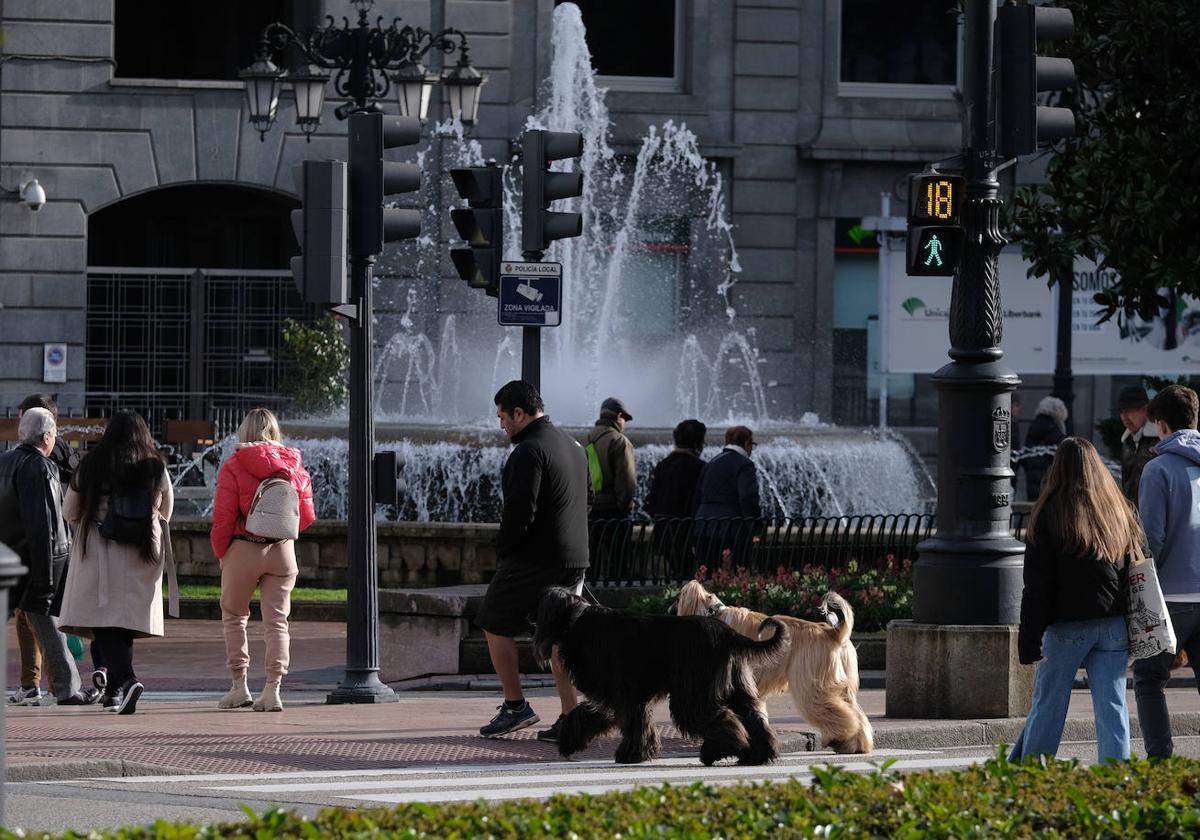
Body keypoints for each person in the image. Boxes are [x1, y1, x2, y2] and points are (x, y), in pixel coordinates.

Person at [1009, 437, 1139, 764]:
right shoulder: (1118, 510)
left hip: (1067, 626)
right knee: (1112, 705)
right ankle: (1116, 776)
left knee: (1049, 704)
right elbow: (1134, 569)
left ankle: (1033, 775)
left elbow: (1037, 588)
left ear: (1058, 469)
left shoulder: (1050, 512)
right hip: (1113, 624)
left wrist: (1029, 641)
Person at [476, 381, 590, 743]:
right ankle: (572, 716)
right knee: (560, 639)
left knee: (493, 618)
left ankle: (515, 706)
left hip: (537, 559)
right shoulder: (572, 446)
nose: (501, 425)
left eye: (503, 417)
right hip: (575, 558)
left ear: (520, 413)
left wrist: (504, 553)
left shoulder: (528, 452)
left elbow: (519, 515)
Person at [58, 410, 176, 714]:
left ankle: (126, 680)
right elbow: (166, 510)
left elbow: (70, 511)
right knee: (123, 619)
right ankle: (113, 692)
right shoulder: (155, 466)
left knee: (105, 619)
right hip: (143, 551)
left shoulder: (92, 464)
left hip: (100, 548)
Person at [210, 408, 315, 713]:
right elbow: (305, 516)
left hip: (243, 547)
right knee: (277, 623)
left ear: (244, 432)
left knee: (234, 617)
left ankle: (239, 685)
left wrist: (222, 552)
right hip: (282, 550)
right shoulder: (293, 465)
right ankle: (273, 689)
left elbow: (223, 517)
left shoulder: (233, 465)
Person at [0, 408, 94, 706]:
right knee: (51, 629)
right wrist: (49, 574)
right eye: (54, 435)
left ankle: (62, 687)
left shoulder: (4, 462)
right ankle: (67, 690)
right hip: (35, 563)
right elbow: (46, 524)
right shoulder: (40, 467)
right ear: (46, 436)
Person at [1132, 384, 1200, 759]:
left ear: (1161, 425)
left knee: (1148, 679)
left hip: (1170, 594)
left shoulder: (1157, 469)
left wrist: (1138, 584)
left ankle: (1161, 762)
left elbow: (1151, 537)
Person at [693, 425, 762, 569]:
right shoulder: (744, 464)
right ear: (747, 443)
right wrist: (755, 527)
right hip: (732, 528)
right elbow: (747, 497)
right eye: (752, 445)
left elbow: (698, 495)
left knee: (707, 573)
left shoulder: (712, 462)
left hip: (704, 525)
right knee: (735, 573)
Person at [644, 419, 707, 575]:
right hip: (687, 536)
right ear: (697, 442)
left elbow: (652, 502)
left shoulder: (663, 465)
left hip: (664, 534)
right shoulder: (699, 467)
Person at [585, 397, 636, 571]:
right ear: (619, 416)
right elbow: (627, 483)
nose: (624, 424)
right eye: (625, 420)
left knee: (594, 564)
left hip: (591, 512)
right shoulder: (619, 441)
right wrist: (626, 508)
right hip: (615, 513)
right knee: (619, 565)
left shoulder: (588, 439)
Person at [1117, 385, 1158, 502]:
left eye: (1130, 410)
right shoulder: (1126, 440)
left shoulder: (1158, 439)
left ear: (1145, 409)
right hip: (1131, 513)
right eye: (1121, 411)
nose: (1124, 416)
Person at [1023, 396, 1068, 498]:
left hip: (1031, 477)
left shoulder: (1034, 426)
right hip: (1049, 479)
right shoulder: (1053, 429)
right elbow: (1061, 454)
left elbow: (1025, 453)